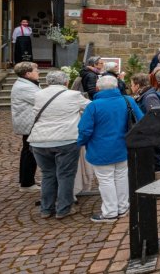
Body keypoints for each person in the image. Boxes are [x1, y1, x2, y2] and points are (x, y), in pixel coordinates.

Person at [78, 76, 144, 222]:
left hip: (101, 149)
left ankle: (110, 212)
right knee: (121, 177)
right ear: (116, 86)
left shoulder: (94, 106)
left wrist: (80, 142)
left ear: (98, 88)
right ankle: (122, 207)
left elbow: (84, 130)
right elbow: (141, 120)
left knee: (106, 180)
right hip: (124, 146)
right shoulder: (128, 100)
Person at [29, 71, 91, 219]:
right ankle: (63, 209)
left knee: (47, 175)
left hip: (39, 140)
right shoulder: (73, 95)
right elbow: (91, 107)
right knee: (65, 175)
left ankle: (46, 209)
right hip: (66, 139)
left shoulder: (38, 94)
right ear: (66, 82)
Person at [11, 61, 41, 192]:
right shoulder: (24, 86)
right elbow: (40, 100)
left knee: (28, 151)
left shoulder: (28, 83)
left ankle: (26, 179)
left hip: (29, 121)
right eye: (36, 70)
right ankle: (27, 183)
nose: (38, 72)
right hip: (28, 122)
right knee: (30, 152)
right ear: (28, 74)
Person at [131, 73, 160, 172]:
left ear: (137, 85)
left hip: (154, 135)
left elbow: (156, 117)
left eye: (132, 85)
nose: (131, 87)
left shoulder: (149, 97)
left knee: (158, 160)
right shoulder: (144, 95)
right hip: (151, 134)